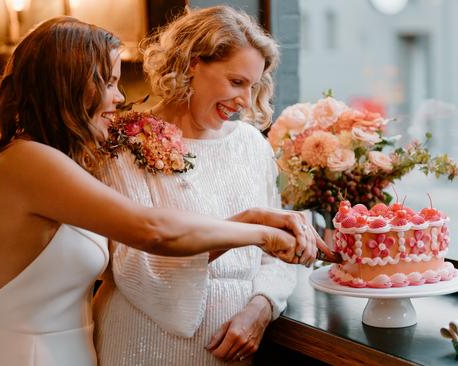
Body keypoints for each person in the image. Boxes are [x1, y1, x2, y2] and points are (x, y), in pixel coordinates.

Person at [0, 16, 319, 366]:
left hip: (70, 352)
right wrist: (258, 228)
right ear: (69, 84)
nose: (120, 98)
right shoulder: (28, 161)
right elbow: (153, 231)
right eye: (108, 83)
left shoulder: (62, 159)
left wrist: (261, 294)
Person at [93, 6, 329, 365]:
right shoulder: (125, 144)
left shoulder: (250, 144)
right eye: (236, 82)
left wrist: (261, 308)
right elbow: (138, 271)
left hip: (234, 353)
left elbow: (277, 257)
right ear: (191, 64)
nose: (245, 101)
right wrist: (249, 226)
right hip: (144, 345)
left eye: (253, 86)